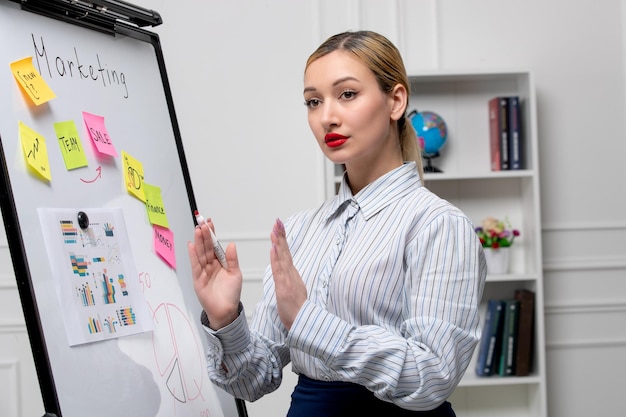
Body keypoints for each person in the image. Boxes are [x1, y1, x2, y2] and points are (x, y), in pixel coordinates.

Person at [188, 30, 487, 417]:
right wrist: (225, 318)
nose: (327, 116)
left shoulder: (438, 225)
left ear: (396, 100)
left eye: (347, 94)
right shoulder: (297, 231)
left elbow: (432, 377)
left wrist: (308, 321)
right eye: (313, 101)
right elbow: (254, 380)